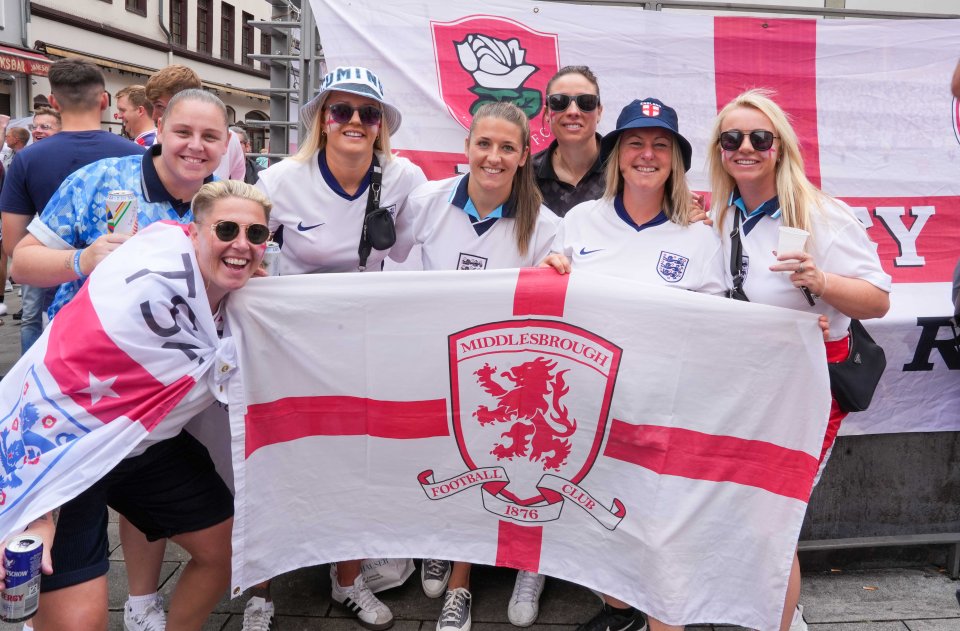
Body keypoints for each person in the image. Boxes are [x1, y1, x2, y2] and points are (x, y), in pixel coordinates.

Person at [0, 179, 271, 631]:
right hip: (71, 450)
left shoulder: (243, 296)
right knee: (79, 624)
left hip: (147, 448)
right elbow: (54, 402)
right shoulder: (137, 298)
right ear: (193, 234)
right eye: (226, 230)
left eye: (256, 235)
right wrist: (39, 511)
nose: (241, 244)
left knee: (227, 552)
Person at [12, 87, 230, 631]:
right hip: (75, 417)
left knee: (224, 548)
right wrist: (80, 258)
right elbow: (20, 264)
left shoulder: (221, 209)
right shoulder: (99, 181)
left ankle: (143, 606)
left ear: (227, 145)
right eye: (184, 132)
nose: (195, 147)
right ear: (159, 126)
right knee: (78, 617)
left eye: (210, 137)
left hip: (151, 424)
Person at [250, 65, 426, 631]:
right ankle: (260, 589)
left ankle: (346, 578)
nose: (354, 121)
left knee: (355, 456)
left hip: (362, 339)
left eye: (367, 113)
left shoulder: (403, 178)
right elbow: (240, 245)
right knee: (272, 456)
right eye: (341, 110)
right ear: (321, 120)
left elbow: (453, 222)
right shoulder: (279, 181)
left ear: (381, 127)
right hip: (288, 341)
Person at [706, 89, 891, 631]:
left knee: (773, 517)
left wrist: (821, 281)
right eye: (731, 138)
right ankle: (767, 607)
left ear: (780, 147)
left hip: (809, 385)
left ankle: (780, 621)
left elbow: (878, 301)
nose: (746, 147)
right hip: (745, 383)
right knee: (748, 511)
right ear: (719, 151)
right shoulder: (720, 215)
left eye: (759, 138)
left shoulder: (820, 215)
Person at [541, 98, 726, 631]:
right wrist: (552, 274)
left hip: (664, 406)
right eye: (636, 144)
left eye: (660, 145)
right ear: (617, 156)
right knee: (599, 513)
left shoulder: (698, 234)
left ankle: (662, 616)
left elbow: (715, 324)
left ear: (675, 160)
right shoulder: (580, 220)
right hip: (590, 406)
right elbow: (554, 302)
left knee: (661, 521)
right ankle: (620, 609)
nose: (647, 155)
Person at [409, 101, 559, 631]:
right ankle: (434, 542)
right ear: (467, 147)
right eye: (484, 144)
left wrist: (559, 275)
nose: (493, 157)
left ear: (524, 157)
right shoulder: (424, 202)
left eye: (507, 148)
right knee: (431, 461)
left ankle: (461, 582)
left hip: (494, 377)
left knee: (480, 466)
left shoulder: (546, 227)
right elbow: (384, 275)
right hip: (427, 361)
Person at [0, 58, 142, 356]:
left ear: (54, 101)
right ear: (104, 101)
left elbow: (14, 244)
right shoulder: (137, 155)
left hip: (57, 290)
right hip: (125, 291)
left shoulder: (27, 159)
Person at [145, 64, 246, 181]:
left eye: (160, 106)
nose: (154, 115)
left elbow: (237, 183)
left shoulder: (231, 139)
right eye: (183, 132)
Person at [531, 66, 605, 217]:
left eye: (586, 101)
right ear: (546, 113)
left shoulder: (623, 170)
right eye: (559, 101)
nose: (573, 112)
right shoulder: (526, 175)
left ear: (599, 112)